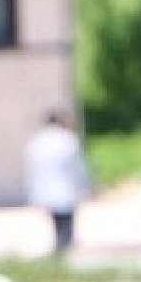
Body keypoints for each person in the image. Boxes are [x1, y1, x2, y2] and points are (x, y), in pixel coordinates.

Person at [23, 109, 90, 258]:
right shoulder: (67, 139)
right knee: (66, 222)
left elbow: (31, 168)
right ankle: (64, 251)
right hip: (65, 188)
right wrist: (85, 184)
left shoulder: (37, 141)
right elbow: (77, 167)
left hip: (45, 190)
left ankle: (60, 251)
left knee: (56, 222)